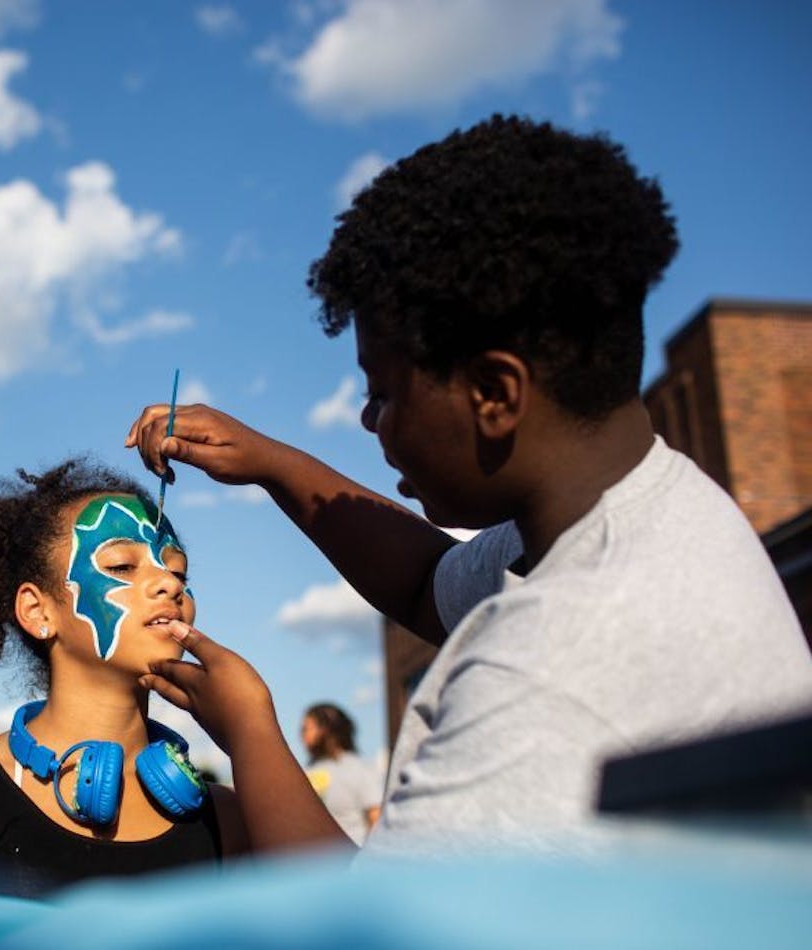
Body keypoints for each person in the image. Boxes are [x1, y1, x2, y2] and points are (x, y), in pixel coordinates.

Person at [127, 114, 812, 855]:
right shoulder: (649, 509)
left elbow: (373, 935)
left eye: (383, 392)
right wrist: (268, 461)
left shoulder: (561, 662)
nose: (366, 418)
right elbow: (428, 586)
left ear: (494, 393)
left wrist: (250, 731)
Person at [0, 459, 249, 899]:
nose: (168, 582)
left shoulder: (229, 820)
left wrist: (252, 725)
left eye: (179, 572)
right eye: (122, 566)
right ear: (37, 611)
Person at [301, 703, 382, 846]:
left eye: (306, 728)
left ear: (325, 729)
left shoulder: (359, 768)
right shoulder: (306, 771)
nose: (302, 734)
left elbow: (376, 819)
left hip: (352, 862)